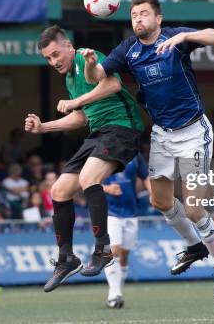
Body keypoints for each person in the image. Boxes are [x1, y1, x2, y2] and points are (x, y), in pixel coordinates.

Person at [82, 0, 214, 303]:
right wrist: (90, 65)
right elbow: (97, 77)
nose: (138, 19)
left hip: (193, 132)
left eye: (144, 14)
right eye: (134, 15)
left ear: (158, 19)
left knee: (192, 207)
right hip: (162, 135)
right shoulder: (128, 50)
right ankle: (194, 246)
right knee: (160, 200)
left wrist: (185, 35)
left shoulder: (175, 37)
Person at [25, 25, 144, 293]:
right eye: (48, 58)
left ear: (68, 45)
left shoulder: (87, 57)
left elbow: (113, 84)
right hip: (98, 132)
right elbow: (82, 115)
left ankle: (103, 248)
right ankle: (66, 258)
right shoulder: (69, 78)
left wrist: (77, 100)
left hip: (122, 127)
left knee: (89, 178)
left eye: (56, 54)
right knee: (59, 190)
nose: (54, 61)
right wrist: (44, 127)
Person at [102, 153, 151, 309]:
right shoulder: (101, 152)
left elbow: (146, 176)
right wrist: (107, 188)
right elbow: (86, 182)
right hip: (110, 212)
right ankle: (114, 293)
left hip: (131, 212)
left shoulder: (136, 155)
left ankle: (118, 292)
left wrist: (153, 193)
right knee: (113, 251)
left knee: (124, 256)